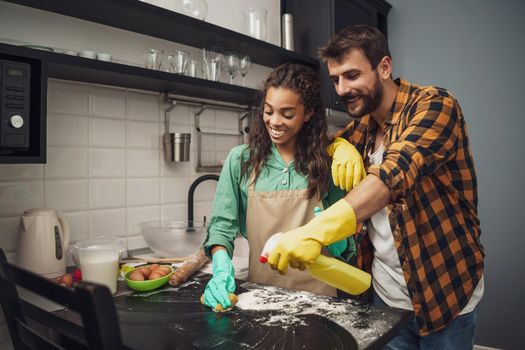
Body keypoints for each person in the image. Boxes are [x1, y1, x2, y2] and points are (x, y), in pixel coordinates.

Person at [267, 25, 484, 349]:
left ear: (384, 67)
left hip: (445, 291)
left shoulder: (436, 105)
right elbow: (324, 144)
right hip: (386, 298)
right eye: (336, 79)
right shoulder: (360, 132)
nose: (342, 88)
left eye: (352, 75)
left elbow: (394, 174)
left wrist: (315, 232)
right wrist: (339, 147)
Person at [201, 63, 360, 311]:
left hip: (320, 300)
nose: (274, 122)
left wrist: (335, 239)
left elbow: (347, 245)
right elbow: (222, 227)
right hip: (260, 298)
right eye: (268, 111)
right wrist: (221, 267)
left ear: (307, 114)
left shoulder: (328, 164)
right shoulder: (241, 160)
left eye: (287, 114)